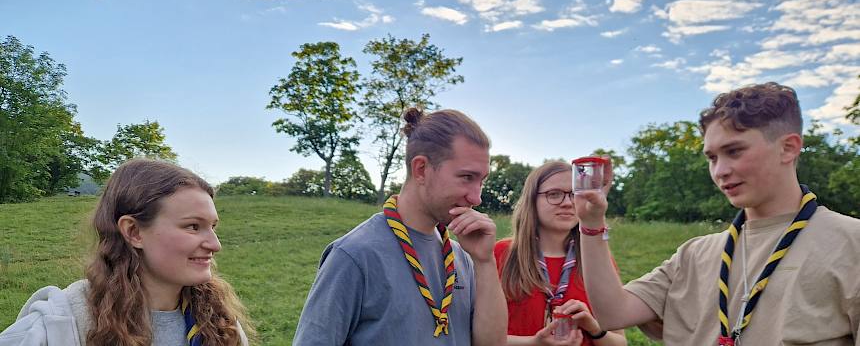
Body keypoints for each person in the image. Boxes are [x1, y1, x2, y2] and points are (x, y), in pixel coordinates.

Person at [576, 82, 860, 345]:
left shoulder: (850, 243)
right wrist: (591, 222)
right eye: (712, 157)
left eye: (734, 151)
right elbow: (613, 314)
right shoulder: (694, 254)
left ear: (788, 148)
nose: (720, 171)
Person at [293, 107, 507, 345]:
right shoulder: (355, 255)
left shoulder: (461, 257)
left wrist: (485, 261)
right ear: (421, 169)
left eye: (482, 181)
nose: (476, 198)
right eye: (467, 177)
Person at [0, 159, 253, 346]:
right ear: (133, 232)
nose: (215, 244)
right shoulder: (57, 328)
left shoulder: (219, 324)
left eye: (212, 227)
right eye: (193, 226)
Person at [494, 161, 626, 346]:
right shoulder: (501, 254)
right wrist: (534, 343)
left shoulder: (597, 260)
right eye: (553, 194)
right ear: (532, 200)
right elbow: (478, 336)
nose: (567, 203)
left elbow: (620, 342)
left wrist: (594, 329)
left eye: (575, 194)